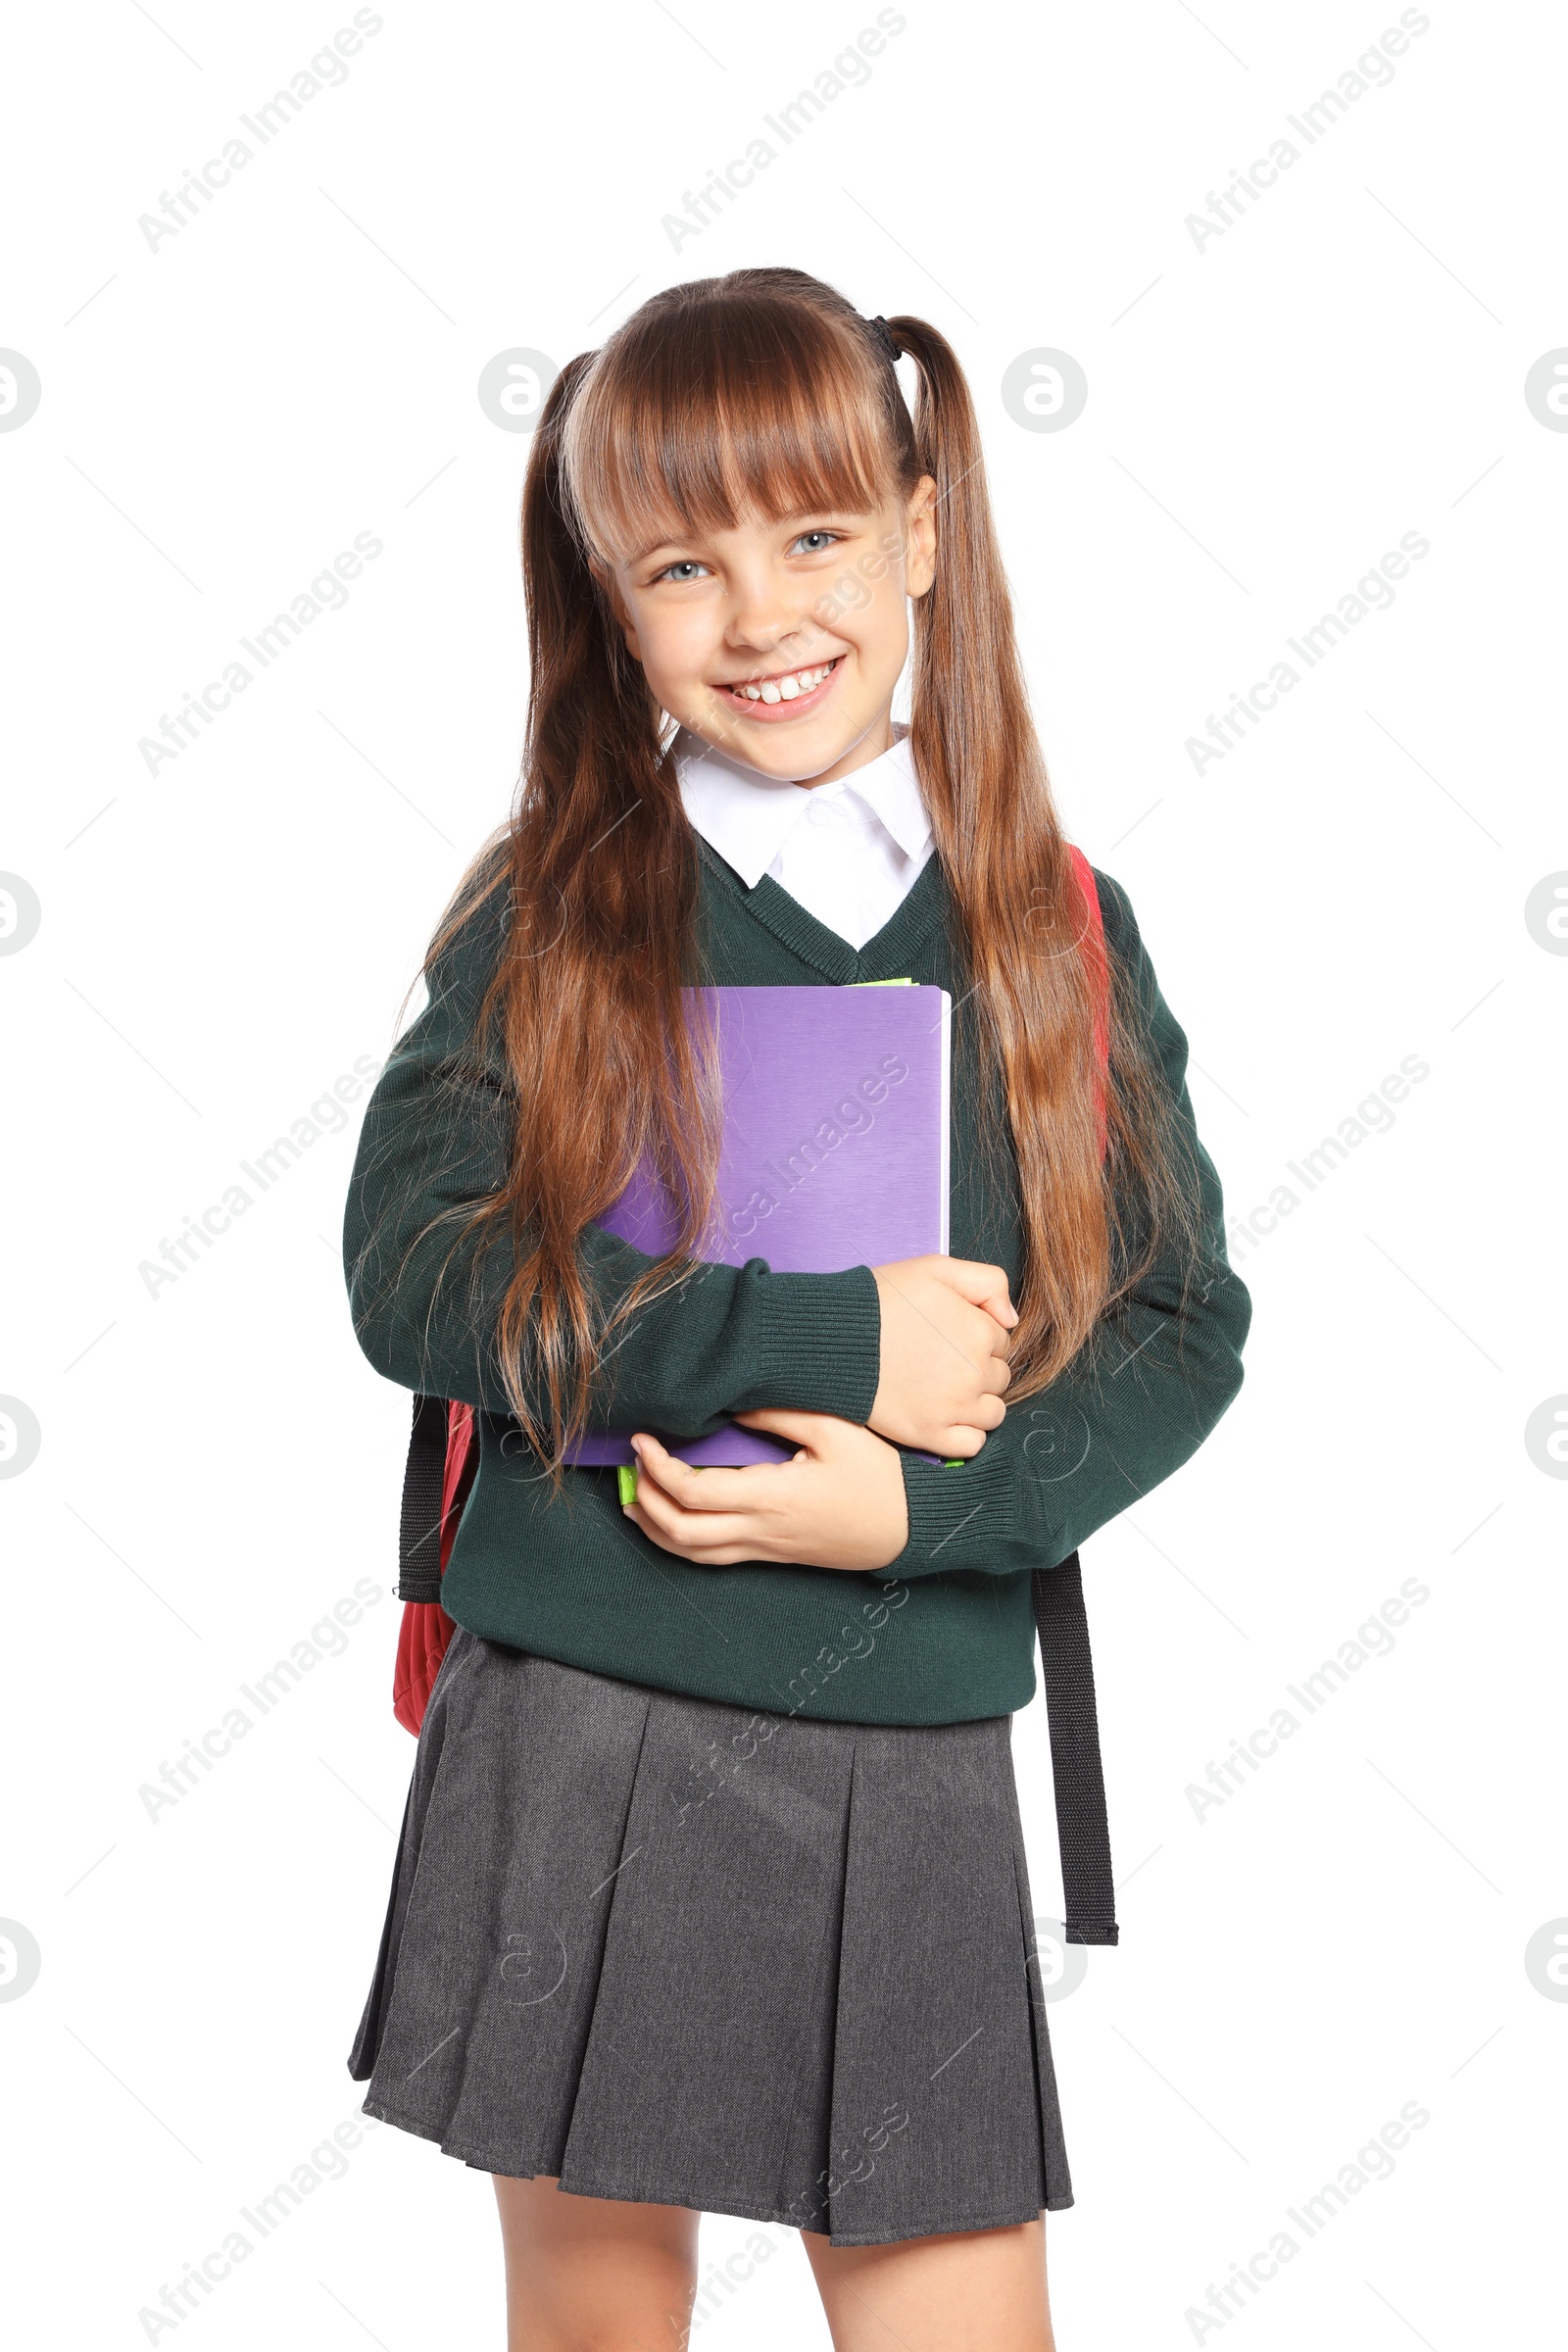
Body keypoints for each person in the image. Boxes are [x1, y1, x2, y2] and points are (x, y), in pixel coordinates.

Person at [342, 267, 1251, 2352]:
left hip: (905, 1720)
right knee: (594, 2322)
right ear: (609, 598)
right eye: (684, 562)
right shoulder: (556, 910)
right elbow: (415, 1279)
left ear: (923, 528)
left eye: (818, 532)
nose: (760, 617)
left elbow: (1174, 1324)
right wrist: (827, 1340)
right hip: (578, 1706)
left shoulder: (1052, 927)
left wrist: (912, 1513)